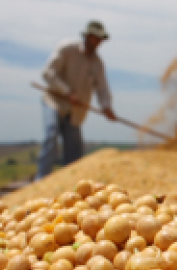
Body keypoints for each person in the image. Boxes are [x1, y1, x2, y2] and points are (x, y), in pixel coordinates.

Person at [36, 20, 118, 179]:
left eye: (100, 39)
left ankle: (71, 183)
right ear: (87, 36)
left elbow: (102, 89)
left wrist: (106, 106)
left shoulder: (97, 64)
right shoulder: (67, 48)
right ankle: (41, 179)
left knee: (74, 148)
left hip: (76, 110)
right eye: (95, 38)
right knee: (51, 134)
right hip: (55, 101)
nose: (98, 42)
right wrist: (67, 92)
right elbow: (48, 73)